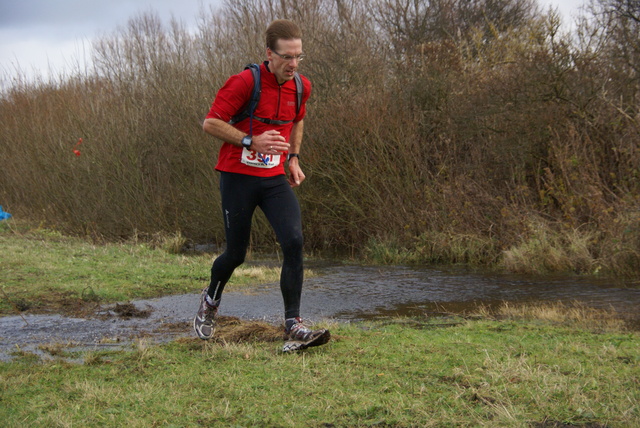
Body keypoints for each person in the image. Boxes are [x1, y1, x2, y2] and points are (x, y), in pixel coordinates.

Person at [194, 19, 330, 352]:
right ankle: (211, 301)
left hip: (272, 179)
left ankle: (293, 324)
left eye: (299, 56)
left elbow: (298, 119)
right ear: (269, 53)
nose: (293, 64)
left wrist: (294, 157)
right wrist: (249, 141)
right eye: (287, 57)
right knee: (236, 253)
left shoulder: (301, 86)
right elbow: (210, 122)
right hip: (238, 178)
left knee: (294, 240)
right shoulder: (244, 82)